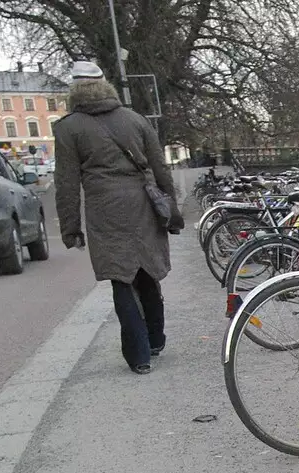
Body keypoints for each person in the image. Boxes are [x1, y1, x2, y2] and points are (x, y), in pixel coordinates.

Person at [53, 60, 181, 375]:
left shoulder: (68, 128)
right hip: (143, 205)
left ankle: (138, 357)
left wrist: (71, 229)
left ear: (75, 91)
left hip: (104, 211)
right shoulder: (135, 120)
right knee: (147, 272)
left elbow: (67, 183)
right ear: (105, 85)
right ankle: (156, 339)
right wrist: (171, 208)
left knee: (121, 280)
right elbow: (160, 168)